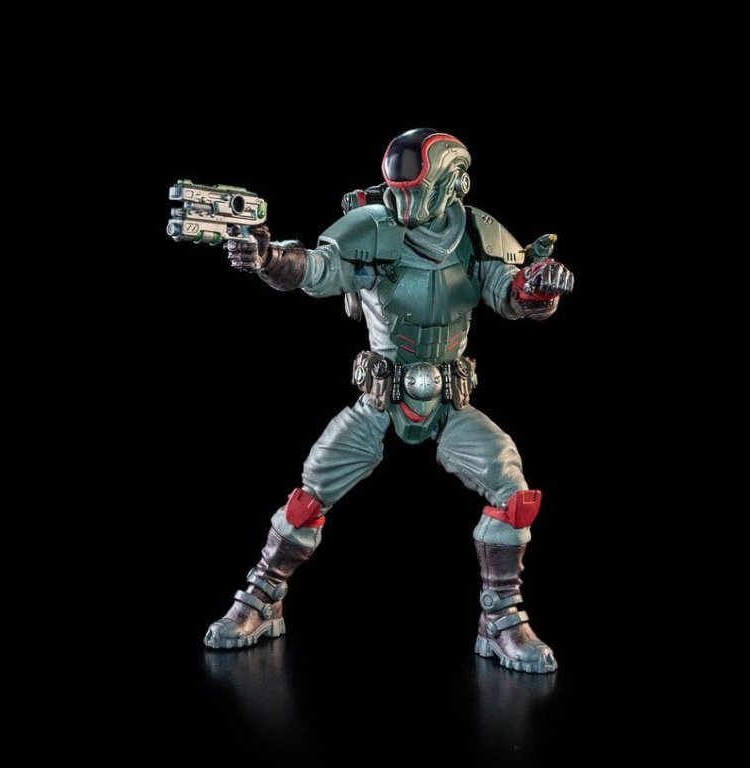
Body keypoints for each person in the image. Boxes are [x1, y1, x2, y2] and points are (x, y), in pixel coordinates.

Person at [203, 128, 574, 674]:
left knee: (512, 490)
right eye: (396, 189)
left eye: (415, 188)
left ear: (453, 185)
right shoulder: (373, 228)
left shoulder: (477, 234)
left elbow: (509, 292)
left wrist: (536, 288)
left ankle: (501, 621)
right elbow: (317, 269)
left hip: (448, 399)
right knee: (310, 493)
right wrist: (268, 257)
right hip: (383, 393)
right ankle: (261, 599)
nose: (403, 201)